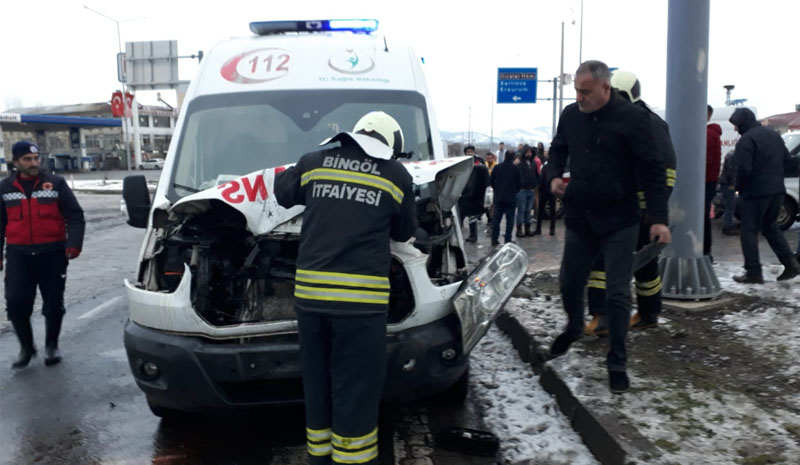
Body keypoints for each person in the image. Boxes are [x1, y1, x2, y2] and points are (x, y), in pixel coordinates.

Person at [274, 111, 415, 465]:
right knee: (355, 390)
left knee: (317, 385)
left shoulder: (314, 162)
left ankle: (319, 458)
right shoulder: (396, 175)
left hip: (310, 302)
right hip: (359, 307)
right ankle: (352, 461)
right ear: (389, 145)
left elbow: (282, 192)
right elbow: (404, 231)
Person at [544, 61, 671, 394]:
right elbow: (557, 149)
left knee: (616, 293)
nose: (579, 97)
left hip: (619, 219)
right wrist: (553, 176)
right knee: (570, 281)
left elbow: (653, 169)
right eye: (576, 90)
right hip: (579, 214)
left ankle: (617, 361)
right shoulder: (572, 115)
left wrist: (658, 217)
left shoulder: (633, 119)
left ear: (605, 88)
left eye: (585, 91)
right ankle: (573, 326)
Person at [584, 70, 678, 337]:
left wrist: (652, 209)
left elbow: (665, 171)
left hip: (637, 209)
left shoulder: (648, 124)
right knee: (644, 263)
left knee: (603, 258)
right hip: (623, 206)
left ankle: (602, 317)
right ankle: (648, 315)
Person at [1, 141, 85, 369]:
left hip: (52, 254)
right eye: (27, 159)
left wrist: (74, 243)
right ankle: (27, 349)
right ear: (16, 162)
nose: (33, 163)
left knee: (53, 303)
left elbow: (75, 215)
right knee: (16, 303)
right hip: (19, 256)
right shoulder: (5, 188)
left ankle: (51, 346)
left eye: (36, 158)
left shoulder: (55, 184)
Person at [728, 107, 800, 283]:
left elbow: (743, 169)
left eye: (736, 125)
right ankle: (790, 264)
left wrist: (739, 188)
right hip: (777, 191)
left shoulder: (746, 140)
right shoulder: (774, 135)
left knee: (748, 231)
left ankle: (753, 272)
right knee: (770, 227)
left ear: (743, 122)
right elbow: (787, 160)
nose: (735, 129)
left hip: (756, 193)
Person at [490, 150, 522, 246]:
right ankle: (507, 239)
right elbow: (520, 184)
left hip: (499, 197)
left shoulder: (497, 167)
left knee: (496, 220)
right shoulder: (516, 169)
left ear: (504, 156)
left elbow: (491, 181)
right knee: (510, 220)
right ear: (513, 158)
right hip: (511, 198)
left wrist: (497, 189)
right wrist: (514, 191)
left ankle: (494, 239)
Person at [459, 146, 490, 243]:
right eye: (468, 151)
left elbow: (485, 177)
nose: (470, 153)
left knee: (472, 216)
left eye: (471, 151)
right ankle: (459, 234)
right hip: (464, 192)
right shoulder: (461, 163)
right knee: (461, 215)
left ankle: (473, 235)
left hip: (475, 193)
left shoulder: (479, 163)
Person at [704, 105, 722, 260]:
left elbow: (704, 160)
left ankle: (705, 251)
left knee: (701, 216)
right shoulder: (713, 134)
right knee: (703, 216)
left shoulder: (708, 134)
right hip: (710, 180)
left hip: (703, 181)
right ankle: (706, 251)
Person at [515, 145, 539, 237]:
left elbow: (536, 175)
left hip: (531, 190)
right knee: (521, 210)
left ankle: (527, 229)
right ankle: (519, 230)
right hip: (522, 190)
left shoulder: (533, 163)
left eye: (530, 152)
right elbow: (518, 176)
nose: (529, 154)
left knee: (528, 211)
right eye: (527, 152)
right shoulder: (520, 163)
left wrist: (536, 183)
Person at [718, 150, 739, 235]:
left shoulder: (730, 154)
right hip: (728, 184)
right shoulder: (733, 157)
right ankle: (728, 227)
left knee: (729, 206)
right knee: (730, 206)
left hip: (725, 183)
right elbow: (731, 172)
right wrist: (732, 184)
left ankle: (728, 224)